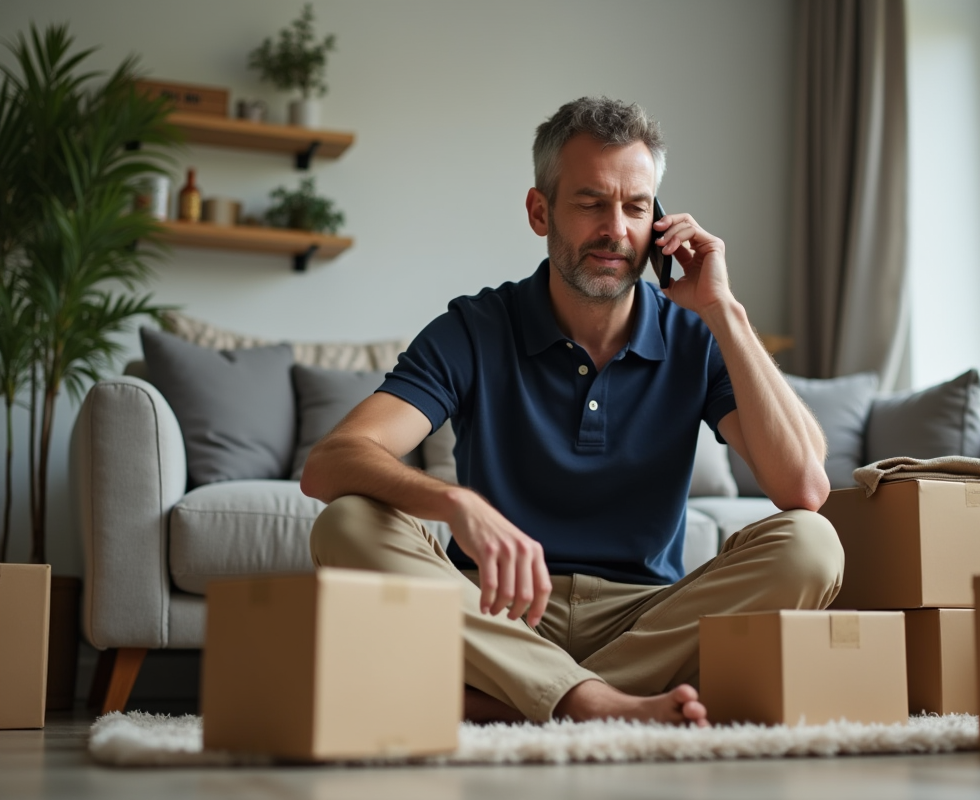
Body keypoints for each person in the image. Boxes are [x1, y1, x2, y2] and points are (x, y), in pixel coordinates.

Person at [301, 97, 843, 728]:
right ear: (541, 212)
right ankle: (597, 701)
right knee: (346, 524)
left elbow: (803, 487)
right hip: (495, 608)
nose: (616, 229)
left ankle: (520, 699)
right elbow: (331, 463)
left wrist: (726, 311)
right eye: (591, 202)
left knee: (812, 543)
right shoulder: (476, 327)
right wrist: (456, 504)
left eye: (637, 207)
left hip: (647, 619)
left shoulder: (698, 334)